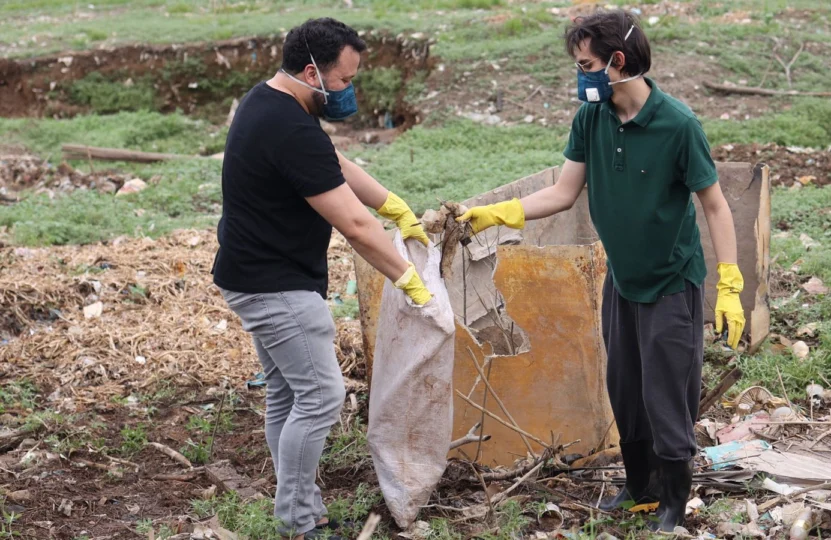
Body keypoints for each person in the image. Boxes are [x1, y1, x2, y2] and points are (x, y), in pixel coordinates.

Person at [457, 9, 744, 533]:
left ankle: (675, 497)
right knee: (625, 386)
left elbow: (716, 205)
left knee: (667, 391)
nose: (579, 75)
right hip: (623, 282)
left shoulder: (678, 125)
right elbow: (564, 192)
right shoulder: (591, 117)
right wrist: (499, 213)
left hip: (670, 283)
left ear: (617, 61)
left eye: (586, 64)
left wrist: (729, 282)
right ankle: (639, 487)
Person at [211, 17, 432, 540]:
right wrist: (410, 279)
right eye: (343, 81)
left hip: (253, 272)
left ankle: (304, 510)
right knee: (321, 397)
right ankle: (299, 521)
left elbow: (333, 161)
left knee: (289, 396)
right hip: (275, 285)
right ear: (312, 71)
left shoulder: (271, 101)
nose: (348, 91)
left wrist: (393, 204)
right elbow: (353, 223)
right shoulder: (286, 125)